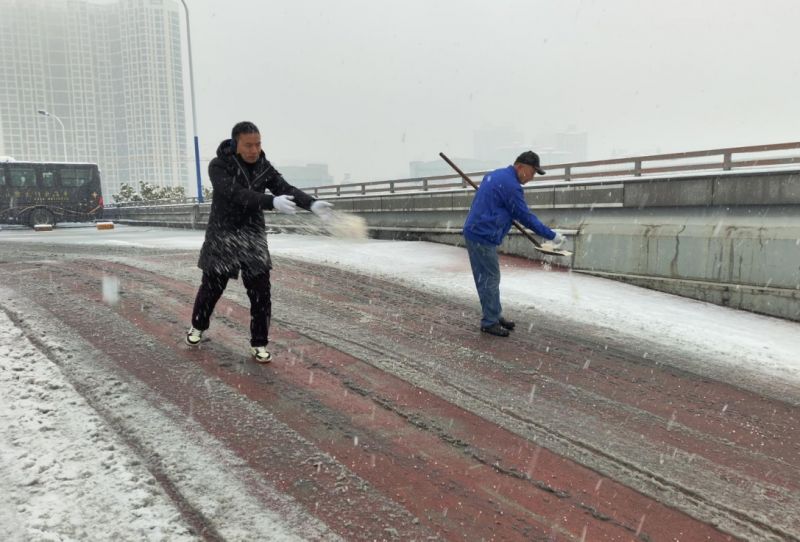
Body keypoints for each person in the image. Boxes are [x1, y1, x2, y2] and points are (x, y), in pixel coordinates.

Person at [185, 121, 333, 362]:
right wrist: (270, 202)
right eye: (248, 145)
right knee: (212, 289)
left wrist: (312, 204)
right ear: (235, 144)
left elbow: (284, 188)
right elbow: (235, 193)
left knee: (261, 293)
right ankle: (198, 326)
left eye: (258, 144)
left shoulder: (264, 167)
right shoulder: (219, 166)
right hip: (223, 235)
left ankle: (259, 343)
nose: (254, 150)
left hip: (253, 236)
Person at [462, 151, 564, 337]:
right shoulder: (511, 185)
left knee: (489, 278)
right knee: (489, 279)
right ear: (520, 167)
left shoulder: (495, 175)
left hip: (478, 230)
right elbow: (525, 216)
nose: (532, 178)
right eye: (532, 173)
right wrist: (551, 235)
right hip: (482, 234)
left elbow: (495, 202)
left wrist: (507, 212)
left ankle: (494, 314)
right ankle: (490, 321)